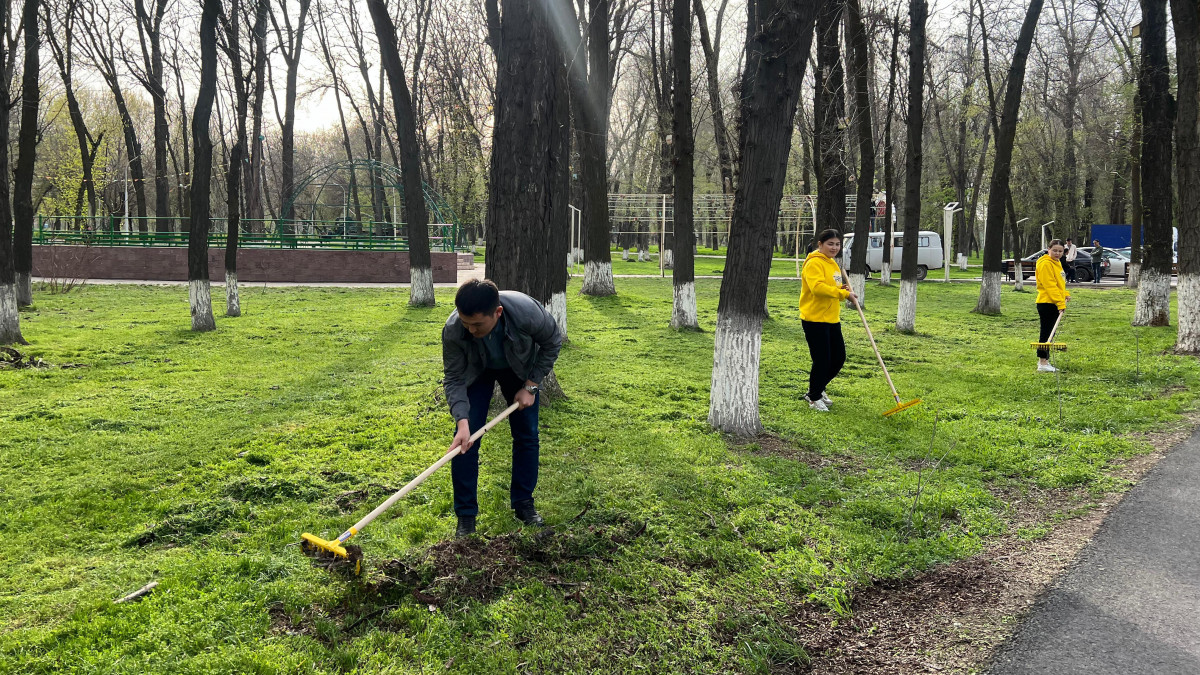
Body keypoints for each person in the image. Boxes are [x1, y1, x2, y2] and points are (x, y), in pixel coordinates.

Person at [442, 279, 563, 538]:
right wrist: (462, 421)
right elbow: (453, 378)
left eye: (477, 325)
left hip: (518, 369)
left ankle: (523, 504)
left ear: (497, 313)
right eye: (466, 324)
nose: (470, 330)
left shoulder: (527, 312)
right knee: (465, 441)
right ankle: (466, 517)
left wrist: (531, 386)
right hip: (477, 371)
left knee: (527, 435)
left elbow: (553, 342)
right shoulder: (454, 329)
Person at [799, 229, 857, 412]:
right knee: (822, 360)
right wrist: (842, 293)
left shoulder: (832, 264)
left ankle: (817, 389)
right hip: (815, 319)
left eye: (837, 244)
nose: (834, 247)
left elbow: (830, 287)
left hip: (831, 318)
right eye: (830, 244)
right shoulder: (813, 263)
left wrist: (841, 288)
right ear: (820, 244)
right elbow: (817, 288)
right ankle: (814, 397)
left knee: (838, 358)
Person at [1035, 240, 1070, 373]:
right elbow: (1049, 286)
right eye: (1054, 250)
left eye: (1060, 251)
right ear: (1048, 249)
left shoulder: (1057, 263)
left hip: (1054, 302)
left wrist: (1065, 294)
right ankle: (1043, 363)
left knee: (1050, 333)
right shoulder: (1045, 264)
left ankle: (1045, 361)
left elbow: (1059, 283)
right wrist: (1060, 303)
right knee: (1046, 334)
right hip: (1047, 303)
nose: (1057, 253)